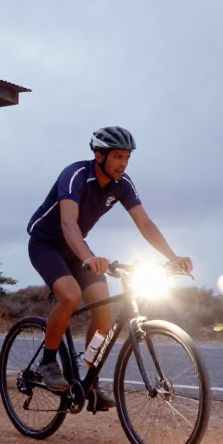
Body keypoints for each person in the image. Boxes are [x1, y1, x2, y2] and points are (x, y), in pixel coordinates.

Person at [25, 126, 193, 410]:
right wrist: (89, 257)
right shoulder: (76, 175)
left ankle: (87, 382)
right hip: (46, 243)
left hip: (77, 248)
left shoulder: (122, 184)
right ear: (99, 155)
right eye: (117, 156)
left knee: (104, 320)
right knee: (70, 295)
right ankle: (48, 362)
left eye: (127, 157)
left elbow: (145, 224)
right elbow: (68, 224)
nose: (123, 163)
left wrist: (172, 257)